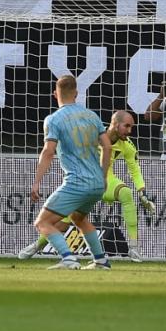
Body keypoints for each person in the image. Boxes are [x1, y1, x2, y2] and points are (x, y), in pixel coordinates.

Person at [20, 110, 155, 262]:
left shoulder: (128, 146)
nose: (130, 131)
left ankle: (133, 248)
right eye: (127, 126)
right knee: (65, 222)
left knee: (126, 193)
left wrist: (142, 192)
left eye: (132, 127)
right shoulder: (92, 135)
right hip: (84, 180)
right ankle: (37, 246)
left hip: (106, 180)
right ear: (115, 124)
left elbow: (134, 169)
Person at [31, 75, 112, 270]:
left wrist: (36, 182)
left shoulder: (53, 119)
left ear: (55, 94)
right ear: (76, 93)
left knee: (42, 222)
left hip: (77, 182)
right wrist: (102, 176)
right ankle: (101, 261)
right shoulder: (92, 116)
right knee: (79, 218)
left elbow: (48, 152)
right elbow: (107, 146)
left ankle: (68, 259)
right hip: (97, 182)